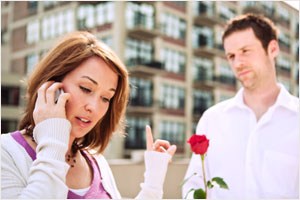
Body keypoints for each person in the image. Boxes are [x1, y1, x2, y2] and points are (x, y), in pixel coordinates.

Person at [1, 31, 177, 199]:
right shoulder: (6, 153)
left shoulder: (96, 162)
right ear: (51, 85)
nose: (94, 107)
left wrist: (153, 180)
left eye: (106, 98)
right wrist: (54, 142)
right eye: (86, 88)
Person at [182, 13, 299, 199]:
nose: (238, 63)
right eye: (231, 56)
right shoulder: (212, 120)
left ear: (273, 48)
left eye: (245, 51)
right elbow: (194, 187)